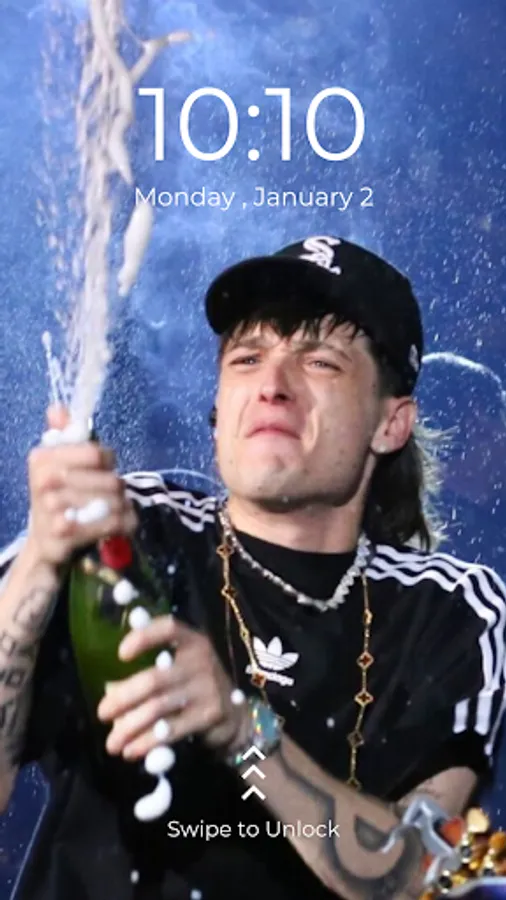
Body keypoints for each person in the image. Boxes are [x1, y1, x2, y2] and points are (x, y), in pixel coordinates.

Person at [0, 234, 505, 900]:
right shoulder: (128, 531)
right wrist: (39, 562)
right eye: (246, 358)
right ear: (218, 412)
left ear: (391, 424)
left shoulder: (453, 612)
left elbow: (423, 876)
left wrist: (244, 731)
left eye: (320, 361)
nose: (271, 386)